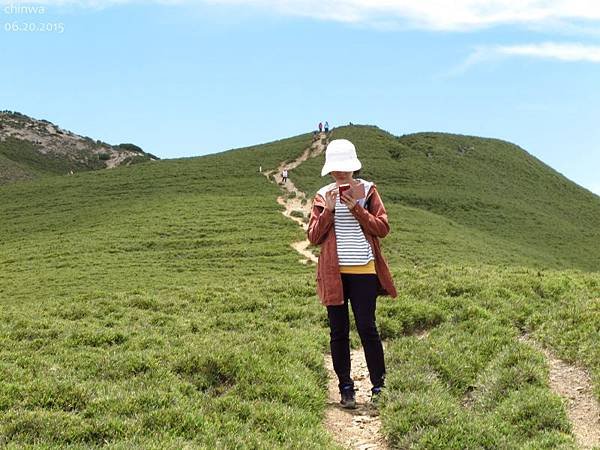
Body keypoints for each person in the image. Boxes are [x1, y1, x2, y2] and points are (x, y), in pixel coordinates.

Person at [307, 139, 397, 409]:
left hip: (364, 270)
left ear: (353, 169)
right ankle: (345, 387)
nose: (339, 176)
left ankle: (379, 385)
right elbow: (313, 236)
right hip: (333, 273)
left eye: (344, 171)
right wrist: (329, 212)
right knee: (338, 331)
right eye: (335, 172)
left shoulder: (368, 191)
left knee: (368, 328)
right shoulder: (323, 196)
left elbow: (382, 228)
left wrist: (356, 207)